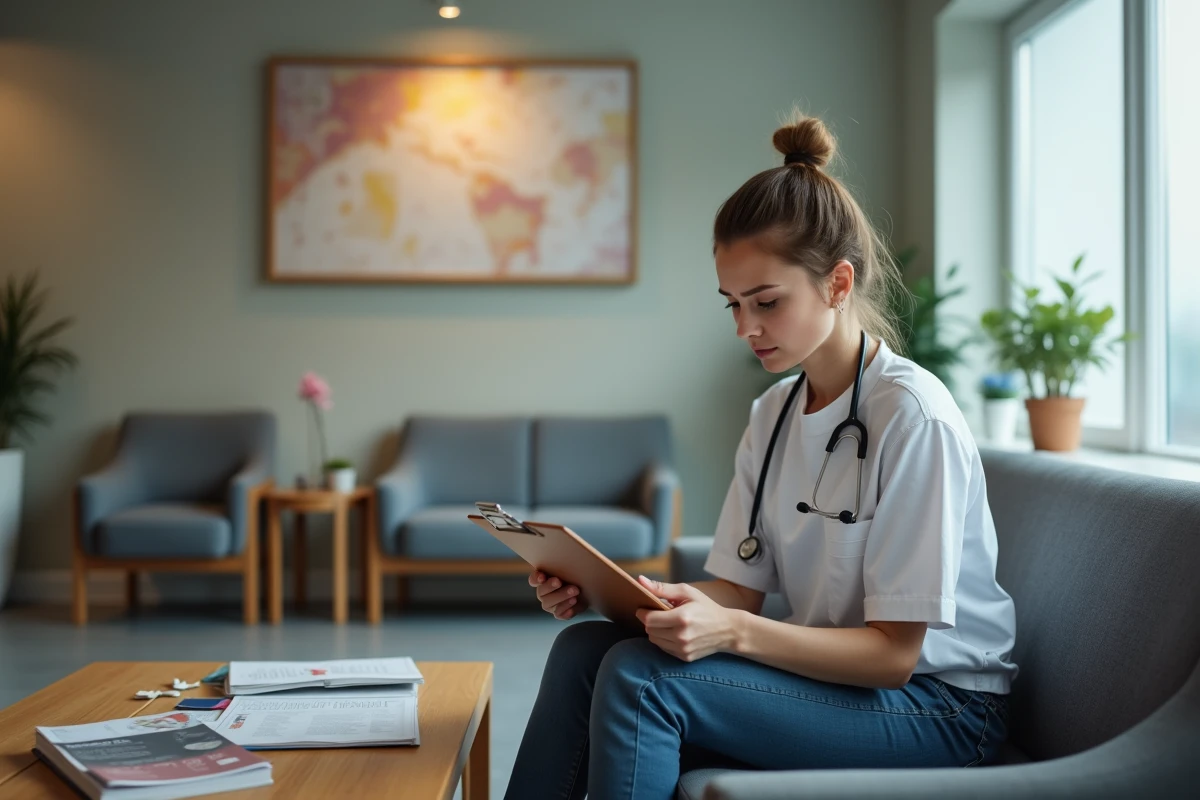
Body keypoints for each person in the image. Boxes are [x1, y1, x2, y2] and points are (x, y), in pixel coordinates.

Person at [504, 113, 1018, 800]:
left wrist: (737, 633)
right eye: (733, 305)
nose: (746, 327)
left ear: (838, 284)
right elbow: (738, 590)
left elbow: (893, 655)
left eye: (766, 302)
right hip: (836, 681)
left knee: (642, 680)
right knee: (585, 652)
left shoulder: (912, 417)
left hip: (942, 709)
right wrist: (629, 595)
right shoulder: (773, 413)